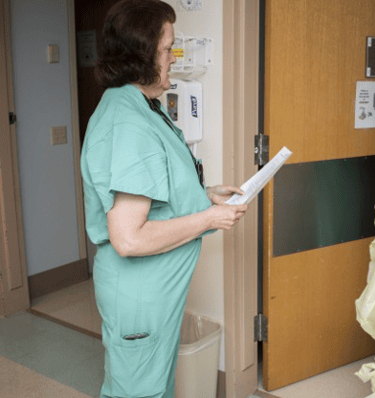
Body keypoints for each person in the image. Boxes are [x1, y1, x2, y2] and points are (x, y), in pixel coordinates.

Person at [80, 1, 248, 396]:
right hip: (140, 294)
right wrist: (210, 219)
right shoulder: (130, 123)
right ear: (142, 56)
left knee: (151, 386)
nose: (175, 58)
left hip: (152, 291)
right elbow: (129, 238)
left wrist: (204, 195)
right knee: (139, 392)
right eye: (168, 48)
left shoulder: (139, 107)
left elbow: (151, 189)